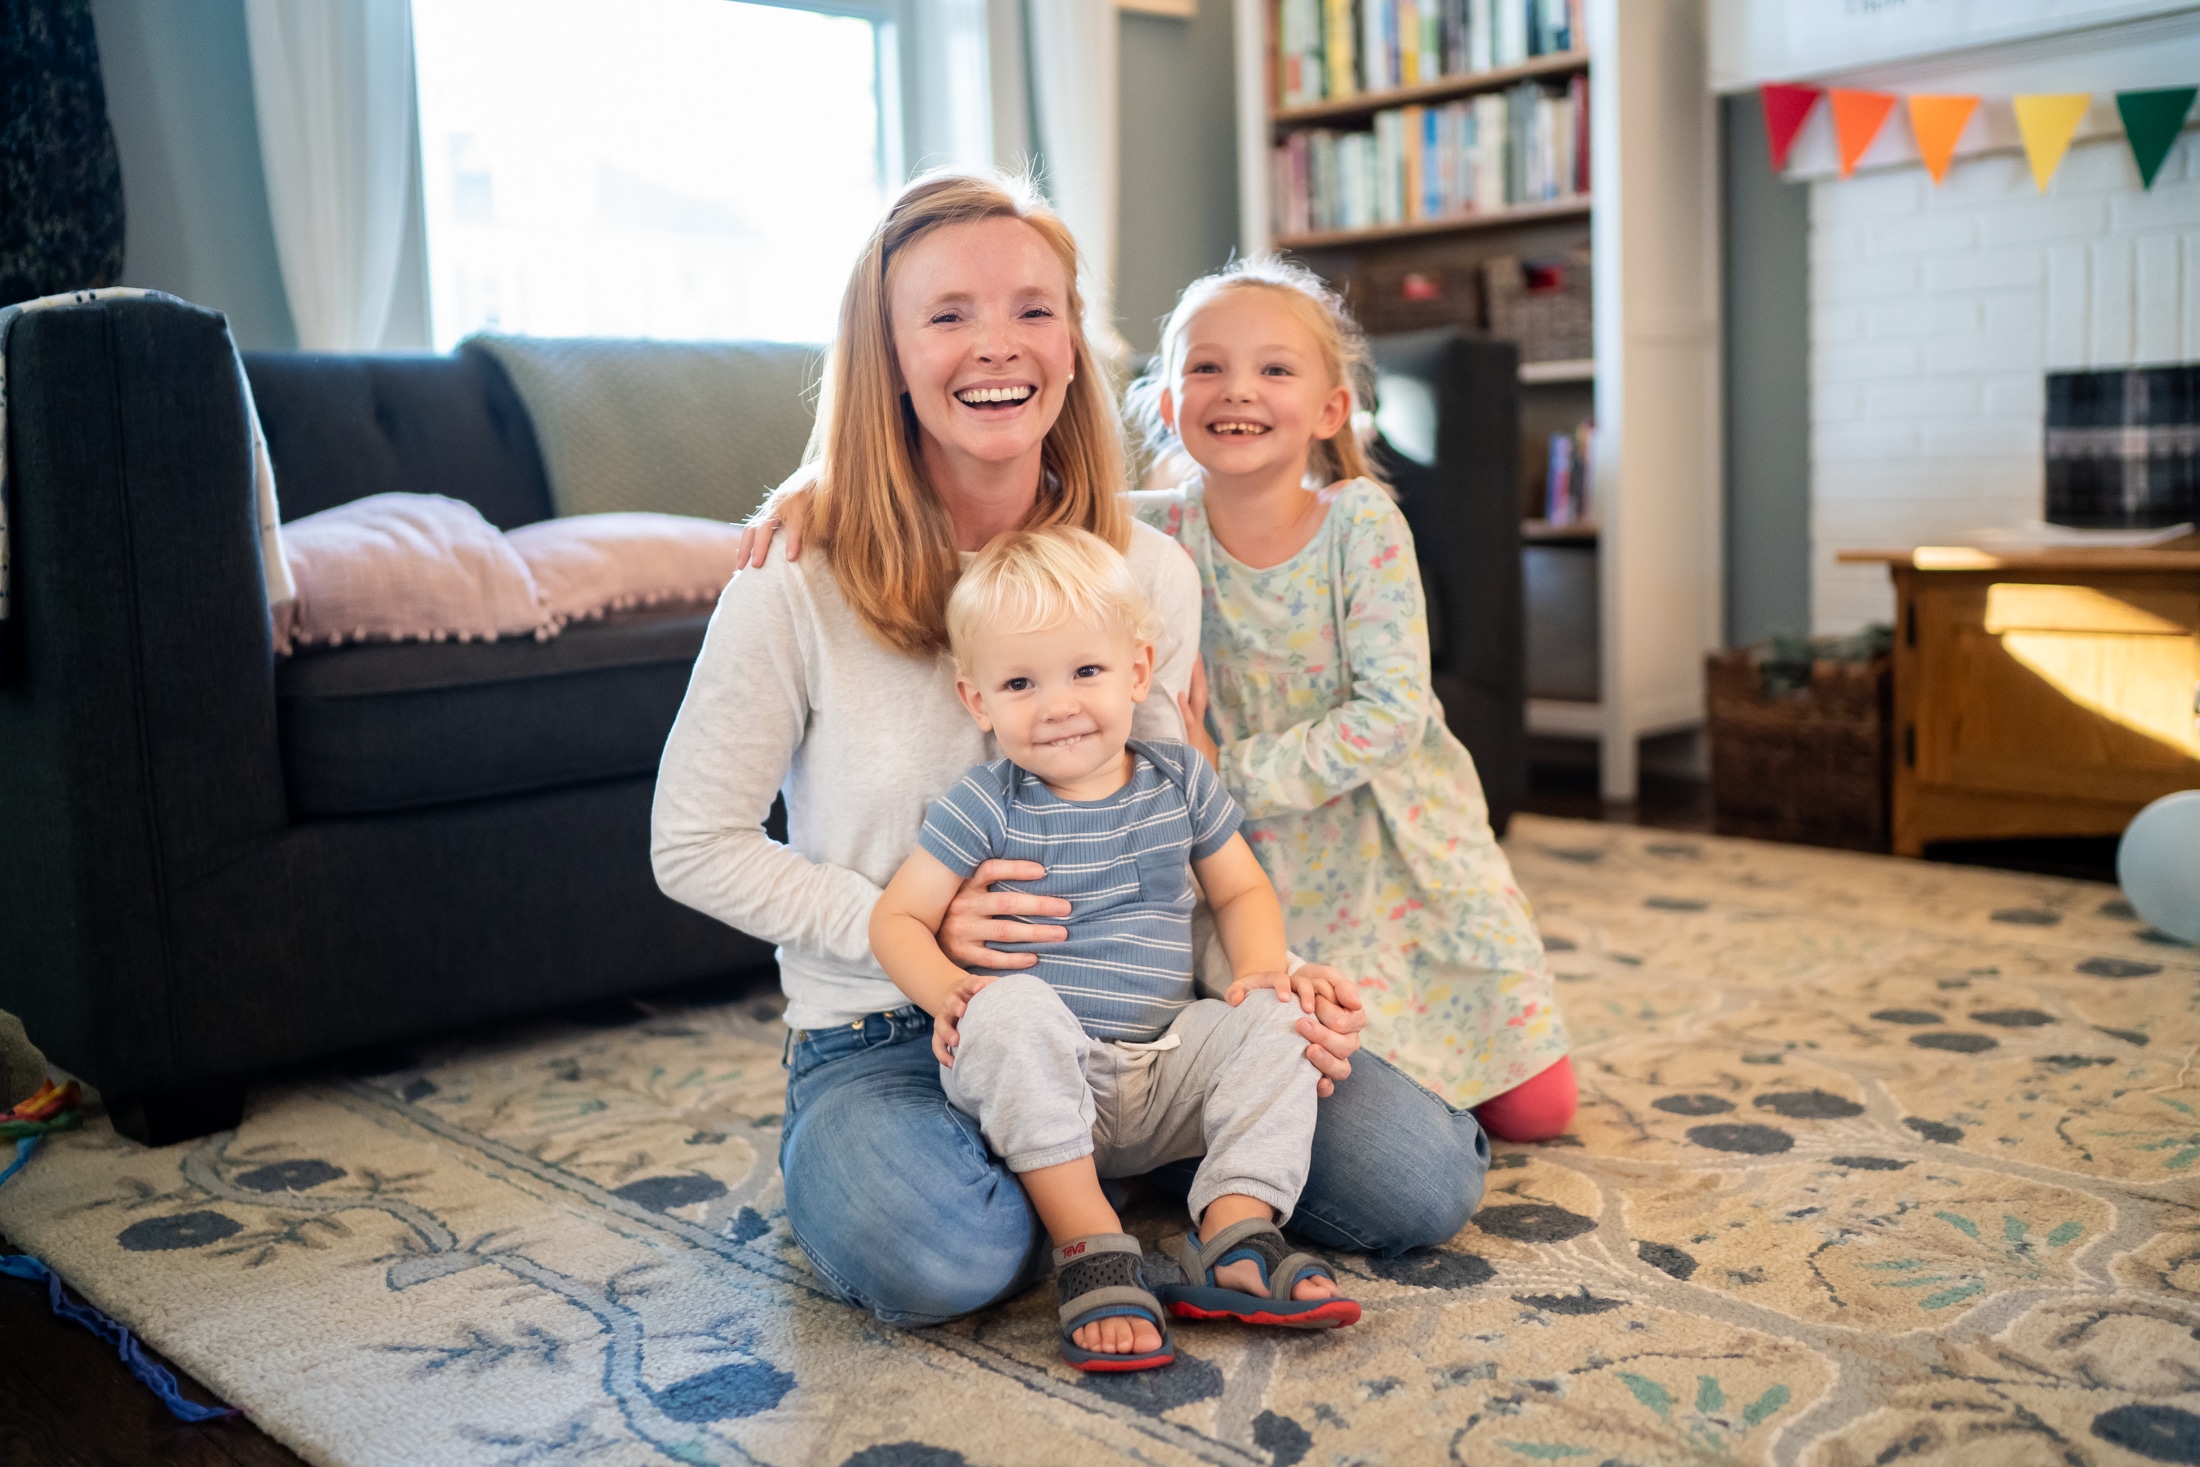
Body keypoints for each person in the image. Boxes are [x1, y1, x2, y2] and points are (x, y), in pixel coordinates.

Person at [657, 170, 1487, 1333]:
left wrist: (1260, 991)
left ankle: (1123, 1159)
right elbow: (692, 845)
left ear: (1073, 340)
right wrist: (904, 927)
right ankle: (1079, 1197)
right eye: (948, 315)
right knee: (938, 1255)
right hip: (897, 1029)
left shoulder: (1144, 570)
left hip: (1141, 1019)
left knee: (1423, 1178)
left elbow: (1174, 828)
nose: (998, 345)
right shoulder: (792, 580)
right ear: (886, 353)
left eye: (1033, 310)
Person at [872, 526, 1359, 1371]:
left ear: (1138, 671)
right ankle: (1089, 1237)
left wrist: (1257, 972)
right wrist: (950, 989)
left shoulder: (1180, 779)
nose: (1058, 704)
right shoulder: (985, 802)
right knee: (1010, 1006)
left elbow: (1239, 889)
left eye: (1086, 672)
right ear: (977, 701)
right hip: (1047, 1077)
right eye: (1021, 682)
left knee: (1278, 1007)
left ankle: (1237, 1231)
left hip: (1166, 1065)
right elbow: (896, 920)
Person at [1126, 257, 1577, 1141]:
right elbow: (1014, 517)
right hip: (1256, 867)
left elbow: (1392, 714)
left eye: (1275, 369)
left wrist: (1232, 770)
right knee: (1342, 1078)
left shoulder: (1358, 522)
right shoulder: (1151, 528)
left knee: (1538, 1111)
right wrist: (812, 492)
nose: (1237, 390)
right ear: (1170, 404)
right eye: (1206, 367)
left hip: (1393, 836)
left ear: (1330, 409)